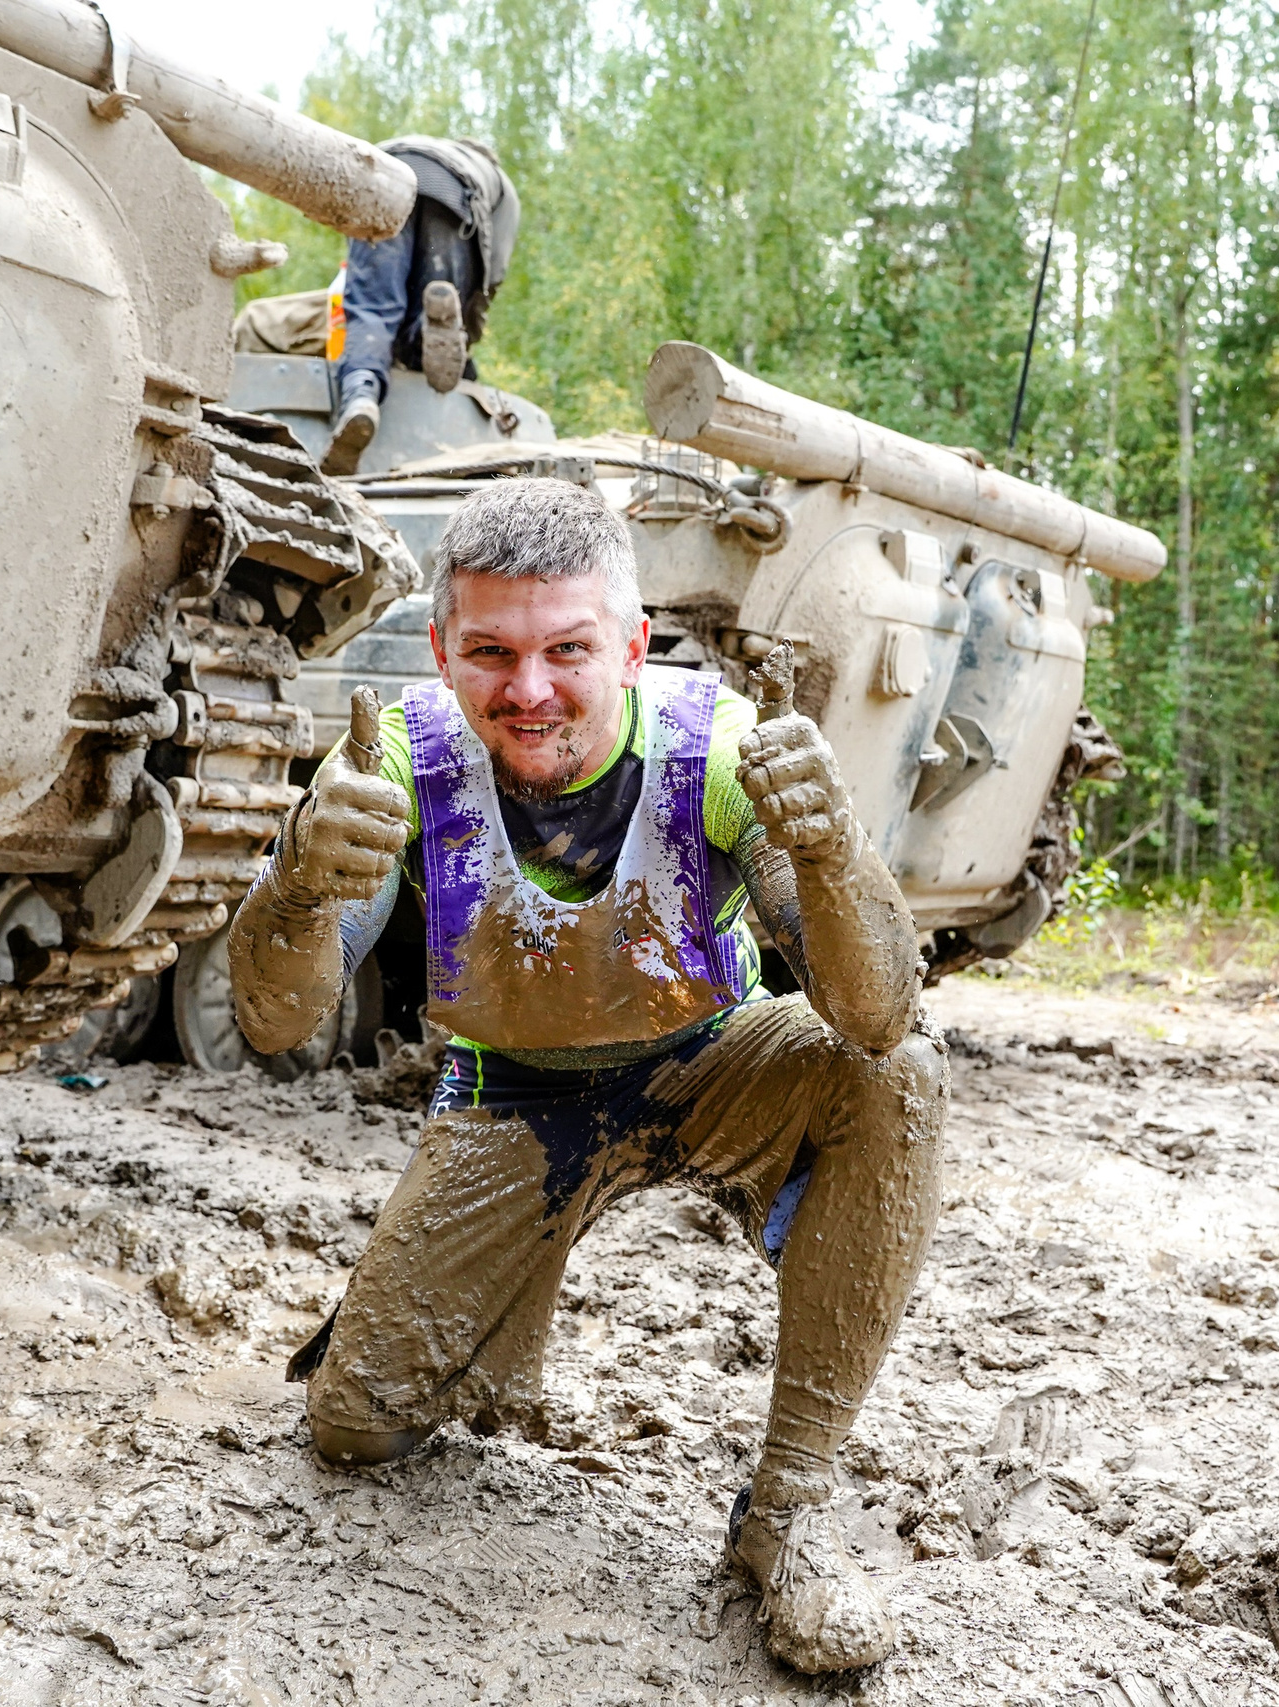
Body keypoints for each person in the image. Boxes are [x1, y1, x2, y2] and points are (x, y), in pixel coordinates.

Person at [226, 478, 945, 1674]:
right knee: (356, 1425)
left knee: (899, 1075)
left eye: (568, 649)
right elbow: (277, 1021)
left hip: (715, 1061)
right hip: (514, 1093)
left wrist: (832, 851)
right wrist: (297, 884)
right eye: (491, 653)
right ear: (442, 650)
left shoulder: (716, 749)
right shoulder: (395, 757)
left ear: (632, 643)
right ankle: (502, 1319)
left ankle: (789, 1515)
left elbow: (875, 1015)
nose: (530, 690)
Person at [325, 136, 521, 476]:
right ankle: (432, 328)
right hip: (454, 193)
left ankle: (360, 393)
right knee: (430, 310)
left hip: (379, 174)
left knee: (371, 308)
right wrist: (467, 332)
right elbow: (492, 273)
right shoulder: (497, 182)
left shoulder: (421, 144)